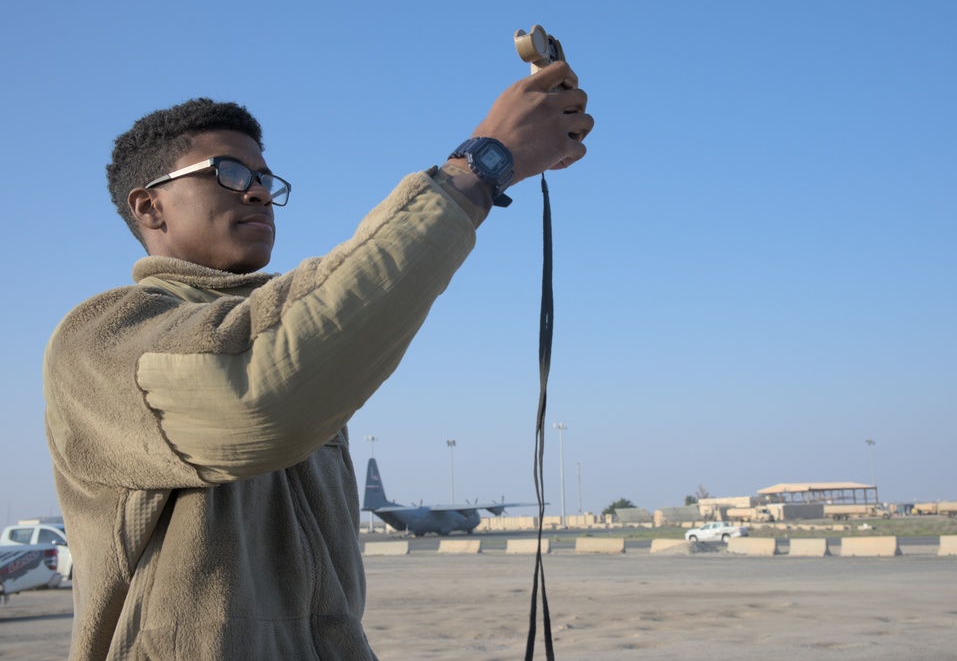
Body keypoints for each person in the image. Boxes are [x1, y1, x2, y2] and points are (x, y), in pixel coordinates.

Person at [43, 61, 592, 660]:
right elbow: (258, 395)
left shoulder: (280, 318)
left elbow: (327, 295)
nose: (256, 189)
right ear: (149, 207)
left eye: (264, 177)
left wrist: (492, 166)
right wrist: (483, 165)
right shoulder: (101, 337)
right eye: (227, 172)